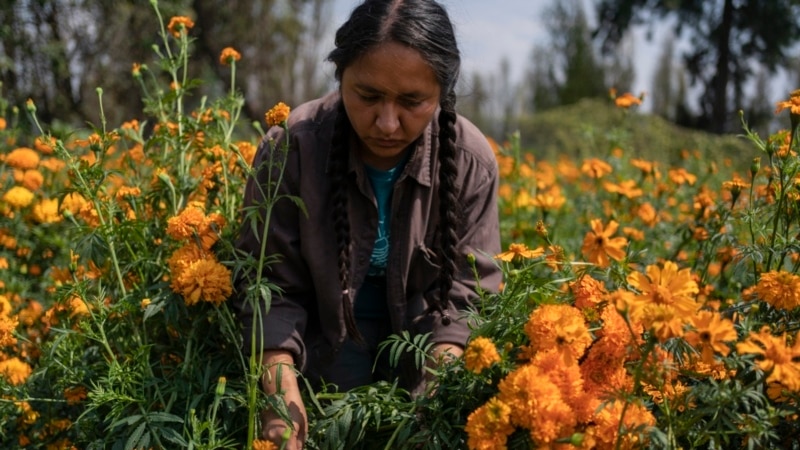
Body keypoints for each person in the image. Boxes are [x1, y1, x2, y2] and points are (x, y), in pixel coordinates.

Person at [232, 0, 502, 447]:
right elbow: (269, 286)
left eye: (412, 102)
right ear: (341, 79)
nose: (387, 122)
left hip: (425, 350)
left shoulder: (470, 160)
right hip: (321, 345)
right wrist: (280, 399)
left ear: (442, 95)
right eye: (368, 96)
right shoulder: (294, 148)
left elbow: (465, 300)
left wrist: (434, 401)